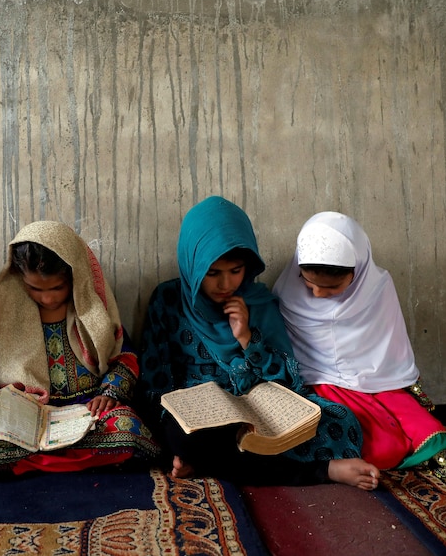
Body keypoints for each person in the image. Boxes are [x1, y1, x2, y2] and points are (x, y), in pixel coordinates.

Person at [137, 196, 379, 490]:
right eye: (212, 273)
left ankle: (205, 462)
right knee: (183, 436)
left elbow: (287, 380)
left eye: (235, 271)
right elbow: (155, 379)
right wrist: (177, 415)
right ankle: (322, 470)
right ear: (193, 264)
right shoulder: (169, 301)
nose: (225, 285)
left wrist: (247, 339)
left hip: (257, 408)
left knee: (340, 420)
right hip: (199, 417)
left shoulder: (259, 303)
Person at [0, 220, 159, 481]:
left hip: (88, 410)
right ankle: (80, 459)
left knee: (129, 428)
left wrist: (109, 392)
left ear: (75, 277)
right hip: (34, 414)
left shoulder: (96, 316)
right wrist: (17, 399)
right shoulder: (15, 318)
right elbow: (12, 381)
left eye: (57, 288)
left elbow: (125, 357)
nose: (47, 298)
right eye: (35, 288)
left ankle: (28, 463)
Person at [272, 211, 446, 476]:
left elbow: (387, 350)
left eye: (332, 287)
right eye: (309, 282)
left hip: (377, 378)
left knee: (426, 430)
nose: (317, 293)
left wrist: (370, 379)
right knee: (383, 448)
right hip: (321, 379)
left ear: (357, 272)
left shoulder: (377, 288)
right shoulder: (288, 293)